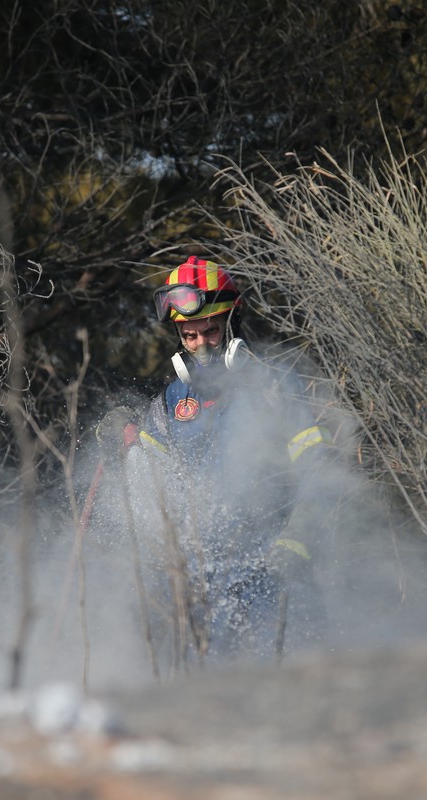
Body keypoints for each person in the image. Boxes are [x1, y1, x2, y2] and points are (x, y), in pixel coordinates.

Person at [111, 255, 332, 663]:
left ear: (233, 323)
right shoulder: (172, 402)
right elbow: (148, 481)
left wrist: (298, 539)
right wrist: (124, 435)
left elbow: (320, 472)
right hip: (199, 583)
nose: (199, 345)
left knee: (294, 677)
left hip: (271, 567)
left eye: (210, 331)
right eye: (189, 336)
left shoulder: (277, 386)